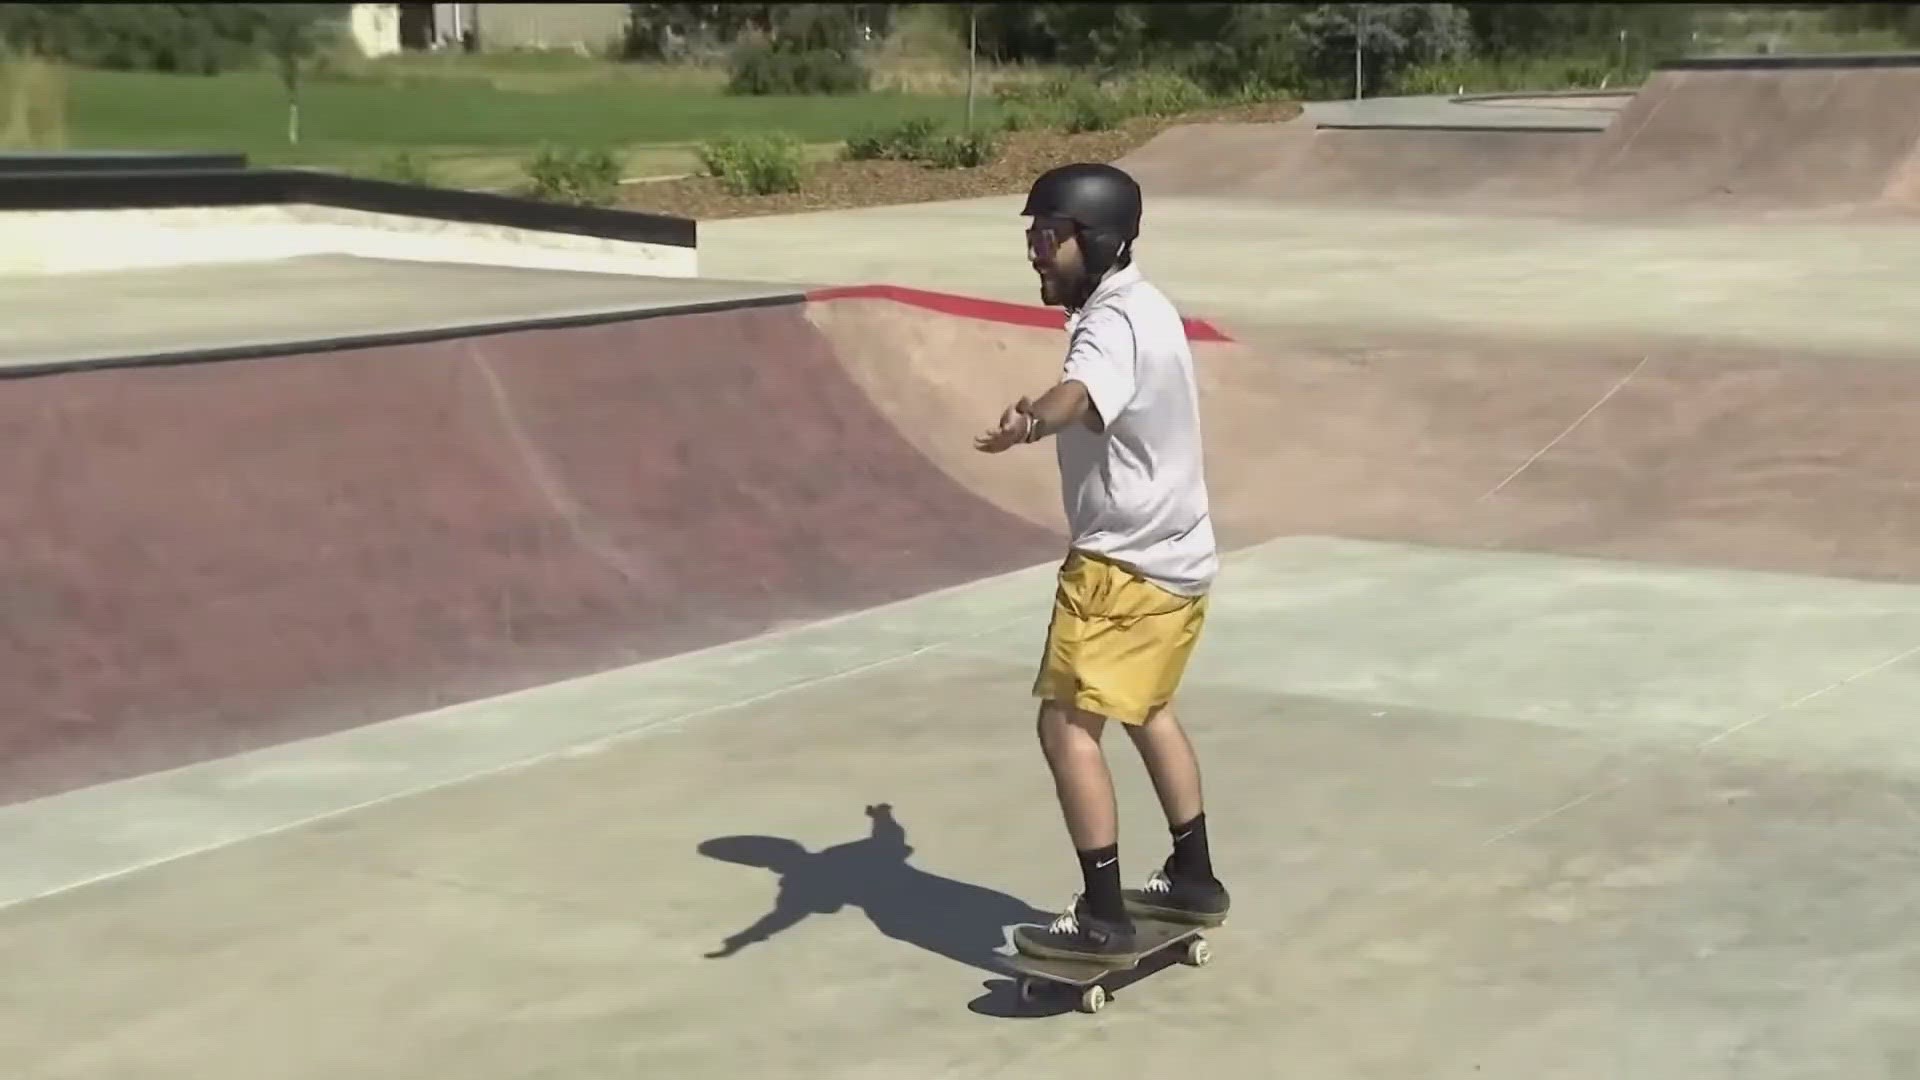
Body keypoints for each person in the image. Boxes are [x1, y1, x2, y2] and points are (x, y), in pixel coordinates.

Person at [974, 162, 1229, 962]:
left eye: (1049, 238)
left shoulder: (1110, 323)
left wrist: (1033, 418)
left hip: (1122, 569)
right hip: (1182, 557)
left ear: (1099, 238)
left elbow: (1082, 393)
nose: (1036, 255)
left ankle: (1103, 913)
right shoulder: (1149, 306)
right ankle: (1193, 876)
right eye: (1031, 237)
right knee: (1146, 706)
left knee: (1065, 725)